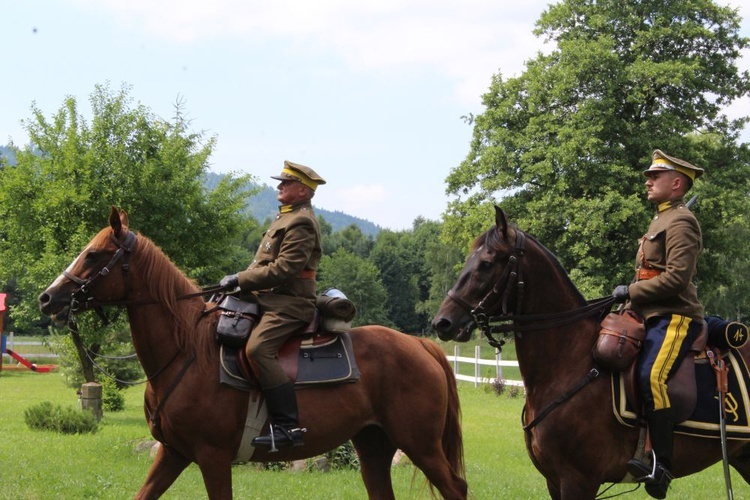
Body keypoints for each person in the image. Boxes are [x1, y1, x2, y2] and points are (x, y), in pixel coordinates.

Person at [612, 149, 705, 499]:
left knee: (652, 375)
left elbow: (677, 279)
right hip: (649, 314)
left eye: (655, 176)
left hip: (676, 316)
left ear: (677, 183)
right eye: (648, 176)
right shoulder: (659, 220)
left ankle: (660, 464)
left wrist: (632, 289)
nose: (647, 181)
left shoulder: (681, 221)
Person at [220, 160, 325, 450]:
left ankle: (287, 426)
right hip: (267, 299)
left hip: (289, 304)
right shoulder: (283, 219)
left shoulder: (301, 221)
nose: (279, 186)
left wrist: (240, 279)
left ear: (303, 191)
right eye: (281, 182)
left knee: (258, 349)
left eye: (286, 183)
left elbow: (284, 270)